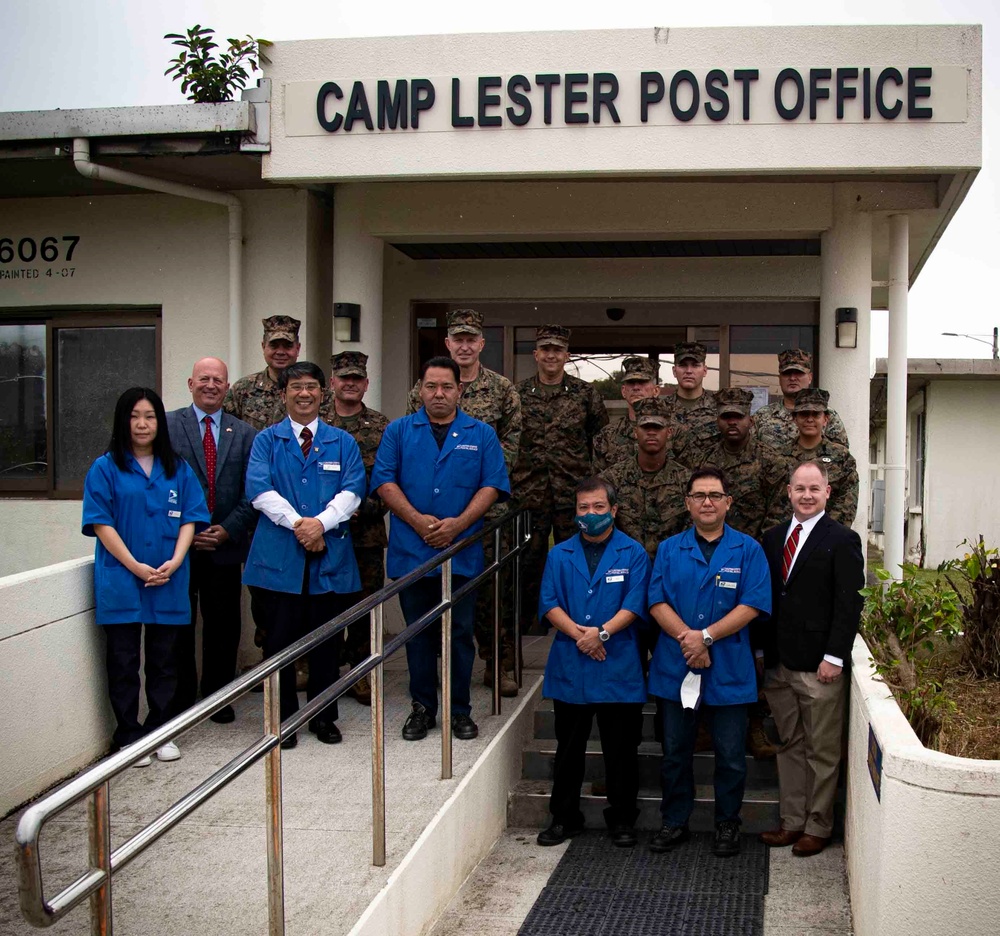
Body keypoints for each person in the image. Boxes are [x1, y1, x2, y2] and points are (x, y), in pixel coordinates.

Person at [371, 356, 510, 742]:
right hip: (412, 552)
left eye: (446, 387)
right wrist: (418, 520)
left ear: (459, 390)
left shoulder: (480, 434)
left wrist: (459, 525)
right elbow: (384, 481)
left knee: (460, 633)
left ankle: (458, 710)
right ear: (420, 390)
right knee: (419, 634)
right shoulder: (398, 431)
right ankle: (422, 708)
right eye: (431, 386)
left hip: (460, 552)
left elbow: (492, 484)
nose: (438, 394)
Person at [647, 467, 771, 857]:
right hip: (677, 662)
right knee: (675, 752)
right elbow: (656, 601)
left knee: (732, 756)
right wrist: (689, 639)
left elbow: (752, 604)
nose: (707, 502)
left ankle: (727, 824)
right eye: (699, 495)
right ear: (687, 503)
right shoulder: (669, 549)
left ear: (728, 503)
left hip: (729, 668)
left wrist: (706, 637)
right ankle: (674, 821)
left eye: (715, 495)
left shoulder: (748, 550)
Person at [82, 387, 209, 766]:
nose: (142, 424)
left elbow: (191, 517)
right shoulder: (105, 467)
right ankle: (128, 736)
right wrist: (135, 566)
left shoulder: (178, 468)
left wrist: (176, 559)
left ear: (160, 422)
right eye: (134, 416)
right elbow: (100, 522)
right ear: (123, 421)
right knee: (123, 661)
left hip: (169, 577)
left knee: (165, 660)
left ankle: (161, 730)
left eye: (150, 416)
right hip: (122, 578)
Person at [243, 361, 366, 748]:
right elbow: (259, 490)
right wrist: (302, 526)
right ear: (283, 395)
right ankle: (282, 721)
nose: (304, 393)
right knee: (278, 643)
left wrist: (321, 525)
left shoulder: (342, 442)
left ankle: (323, 716)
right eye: (295, 387)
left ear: (322, 393)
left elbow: (353, 490)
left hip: (329, 558)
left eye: (311, 386)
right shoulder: (266, 441)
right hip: (279, 559)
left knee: (328, 644)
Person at [406, 309, 522, 697]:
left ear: (482, 343)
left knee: (491, 591)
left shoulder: (503, 389)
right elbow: (414, 447)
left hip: (486, 511)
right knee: (434, 598)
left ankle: (497, 663)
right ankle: (435, 677)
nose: (465, 345)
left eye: (472, 339)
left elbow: (509, 446)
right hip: (433, 517)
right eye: (458, 339)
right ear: (448, 343)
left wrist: (476, 494)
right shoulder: (420, 389)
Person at [535, 477, 650, 848]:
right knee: (568, 750)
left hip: (618, 664)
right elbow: (550, 602)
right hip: (572, 663)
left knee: (621, 751)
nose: (591, 514)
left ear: (614, 510)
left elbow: (635, 604)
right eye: (583, 508)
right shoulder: (559, 554)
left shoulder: (633, 553)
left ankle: (622, 819)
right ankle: (564, 818)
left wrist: (599, 634)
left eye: (599, 507)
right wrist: (582, 637)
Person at [758, 461, 864, 857]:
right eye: (799, 488)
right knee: (789, 745)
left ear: (827, 493)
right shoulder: (771, 538)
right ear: (788, 492)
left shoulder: (842, 540)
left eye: (814, 489)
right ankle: (791, 822)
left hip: (820, 667)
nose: (806, 495)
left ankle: (818, 826)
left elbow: (849, 603)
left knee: (822, 750)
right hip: (779, 665)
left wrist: (835, 656)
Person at [167, 358, 257, 724]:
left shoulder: (245, 433)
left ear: (227, 387)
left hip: (225, 545)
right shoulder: (168, 427)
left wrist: (228, 529)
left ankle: (218, 697)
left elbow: (254, 493)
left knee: (224, 625)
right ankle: (182, 700)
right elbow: (159, 484)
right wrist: (186, 529)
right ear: (190, 383)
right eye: (203, 379)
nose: (210, 385)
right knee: (179, 624)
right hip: (178, 548)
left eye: (217, 380)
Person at [512, 325, 608, 633]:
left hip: (573, 498)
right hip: (530, 496)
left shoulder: (585, 394)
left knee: (579, 564)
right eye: (546, 349)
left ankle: (581, 626)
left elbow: (599, 440)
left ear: (566, 355)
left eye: (558, 350)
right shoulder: (517, 394)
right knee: (526, 566)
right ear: (536, 354)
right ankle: (525, 635)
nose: (552, 355)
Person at [320, 350, 389, 705]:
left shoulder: (382, 426)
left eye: (356, 379)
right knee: (324, 605)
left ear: (365, 383)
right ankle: (323, 671)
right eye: (343, 378)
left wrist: (362, 508)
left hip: (366, 533)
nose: (350, 384)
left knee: (365, 607)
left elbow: (390, 480)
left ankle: (361, 672)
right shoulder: (315, 421)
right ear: (332, 383)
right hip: (322, 534)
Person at [674, 387, 785, 541]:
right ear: (717, 421)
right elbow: (690, 508)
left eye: (738, 417)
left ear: (751, 421)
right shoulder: (701, 460)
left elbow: (778, 514)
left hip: (751, 551)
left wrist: (756, 549)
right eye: (726, 417)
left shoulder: (771, 462)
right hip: (706, 547)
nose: (732, 422)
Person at [600, 397, 688, 561]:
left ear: (669, 433)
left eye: (657, 427)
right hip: (624, 567)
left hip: (672, 567)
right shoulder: (611, 479)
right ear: (635, 432)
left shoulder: (686, 481)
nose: (651, 432)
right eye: (645, 427)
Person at [776, 389, 859, 527]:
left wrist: (820, 532)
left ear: (825, 419)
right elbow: (776, 503)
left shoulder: (841, 457)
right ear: (794, 419)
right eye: (804, 414)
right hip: (789, 536)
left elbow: (847, 504)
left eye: (816, 414)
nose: (810, 419)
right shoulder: (778, 456)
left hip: (829, 536)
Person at [753, 349, 849, 450]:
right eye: (787, 373)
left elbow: (841, 457)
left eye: (799, 373)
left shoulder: (826, 414)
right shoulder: (762, 416)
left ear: (810, 377)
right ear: (779, 378)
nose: (793, 378)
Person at [223, 315, 302, 431]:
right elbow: (226, 432)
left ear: (298, 348)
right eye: (274, 346)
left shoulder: (311, 391)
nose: (280, 352)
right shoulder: (242, 389)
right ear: (263, 346)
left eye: (287, 346)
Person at [592, 355, 660, 472]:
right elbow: (598, 483)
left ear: (656, 391)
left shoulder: (672, 432)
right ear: (623, 391)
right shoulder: (607, 436)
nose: (636, 387)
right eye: (631, 382)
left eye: (642, 382)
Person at [663, 342, 717, 462]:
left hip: (709, 478)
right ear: (674, 371)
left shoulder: (719, 407)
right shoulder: (661, 409)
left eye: (695, 365)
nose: (688, 371)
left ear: (705, 370)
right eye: (683, 365)